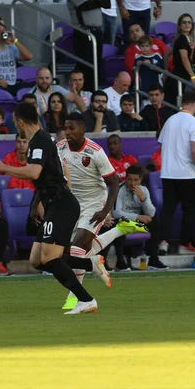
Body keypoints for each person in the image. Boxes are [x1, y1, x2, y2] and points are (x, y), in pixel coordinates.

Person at [0, 102, 99, 314]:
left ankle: (86, 299)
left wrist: (3, 167)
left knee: (50, 258)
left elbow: (35, 172)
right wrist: (36, 204)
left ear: (19, 122)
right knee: (37, 260)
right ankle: (92, 264)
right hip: (54, 204)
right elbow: (46, 177)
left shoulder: (39, 142)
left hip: (62, 204)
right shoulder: (42, 140)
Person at [57, 112, 148, 310]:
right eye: (65, 128)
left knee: (78, 248)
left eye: (71, 128)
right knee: (71, 251)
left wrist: (106, 210)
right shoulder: (59, 148)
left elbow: (114, 183)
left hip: (94, 203)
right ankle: (116, 235)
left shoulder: (95, 151)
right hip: (72, 204)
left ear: (82, 130)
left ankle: (76, 297)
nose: (67, 132)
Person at [157, 91, 195, 255]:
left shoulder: (169, 121)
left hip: (168, 173)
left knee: (168, 209)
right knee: (189, 210)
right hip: (187, 174)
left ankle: (162, 242)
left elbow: (161, 146)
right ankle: (185, 244)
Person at [111, 164, 161, 270]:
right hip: (123, 221)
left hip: (135, 223)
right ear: (126, 178)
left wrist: (143, 199)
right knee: (117, 224)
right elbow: (116, 213)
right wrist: (137, 217)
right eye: (129, 179)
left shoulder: (143, 190)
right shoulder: (120, 189)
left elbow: (151, 213)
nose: (132, 183)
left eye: (135, 180)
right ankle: (120, 262)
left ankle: (153, 260)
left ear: (140, 180)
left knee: (155, 223)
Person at [0, 22, 33, 95]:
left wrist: (15, 41)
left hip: (13, 84)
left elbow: (29, 56)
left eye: (3, 30)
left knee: (33, 86)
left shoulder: (12, 48)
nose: (2, 32)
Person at [67, 0, 108, 92]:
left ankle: (93, 91)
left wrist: (95, 2)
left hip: (97, 31)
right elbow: (84, 6)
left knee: (97, 63)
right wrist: (98, 2)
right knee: (85, 64)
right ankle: (84, 91)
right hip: (83, 32)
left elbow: (107, 3)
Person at [164, 14, 195, 104]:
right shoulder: (181, 39)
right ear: (180, 25)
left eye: (189, 22)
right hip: (181, 77)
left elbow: (167, 54)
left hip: (183, 76)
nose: (187, 24)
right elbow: (184, 59)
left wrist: (192, 50)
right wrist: (193, 77)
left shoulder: (189, 39)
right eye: (184, 22)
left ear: (192, 25)